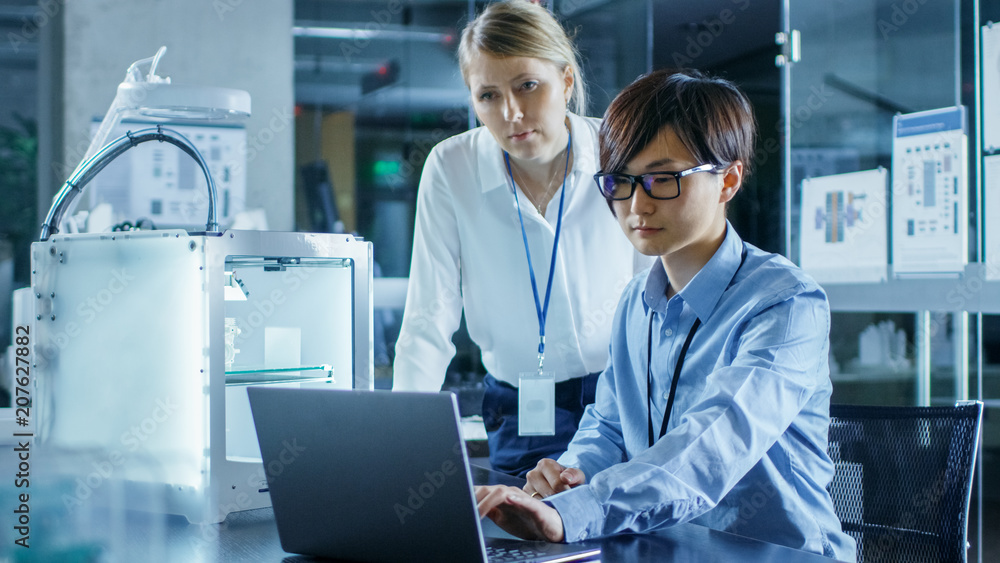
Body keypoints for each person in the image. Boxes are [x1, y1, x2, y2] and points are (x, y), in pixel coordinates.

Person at [475, 69, 857, 562]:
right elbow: (609, 426)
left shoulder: (785, 304)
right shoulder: (636, 301)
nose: (636, 204)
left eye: (663, 179)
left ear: (729, 180)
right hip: (671, 548)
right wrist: (568, 478)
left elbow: (710, 448)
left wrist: (579, 512)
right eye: (622, 181)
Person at [392, 0, 644, 477]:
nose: (510, 112)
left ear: (566, 81)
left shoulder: (619, 155)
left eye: (528, 85)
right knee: (523, 542)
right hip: (520, 404)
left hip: (619, 398)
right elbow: (429, 313)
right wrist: (404, 437)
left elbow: (657, 292)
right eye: (487, 95)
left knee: (623, 540)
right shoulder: (452, 168)